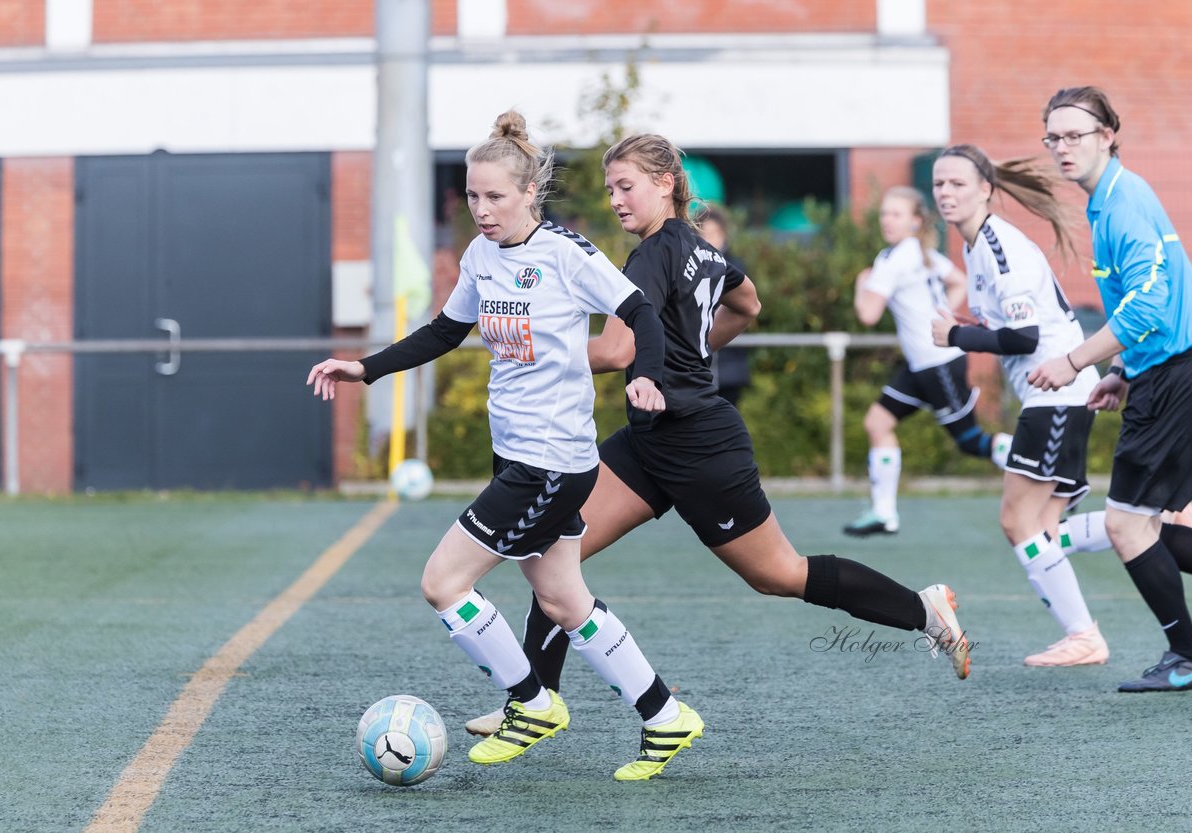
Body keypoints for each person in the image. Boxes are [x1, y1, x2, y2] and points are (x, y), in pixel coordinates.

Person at [467, 132, 974, 740]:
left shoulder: (651, 255)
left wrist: (532, 348)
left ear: (666, 184)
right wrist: (691, 349)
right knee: (552, 555)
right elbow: (749, 302)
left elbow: (619, 348)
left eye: (627, 186)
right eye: (610, 190)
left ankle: (925, 610)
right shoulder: (700, 247)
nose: (617, 201)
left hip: (700, 444)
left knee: (779, 574)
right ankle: (534, 701)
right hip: (650, 439)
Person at [308, 111, 704, 780]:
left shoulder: (565, 254)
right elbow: (442, 332)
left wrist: (644, 375)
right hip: (518, 453)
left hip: (552, 463)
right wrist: (365, 367)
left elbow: (638, 310)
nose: (482, 210)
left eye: (495, 197)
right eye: (471, 196)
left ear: (529, 194)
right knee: (561, 597)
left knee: (442, 582)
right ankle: (666, 717)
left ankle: (531, 702)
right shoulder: (481, 256)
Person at [1029, 86, 1192, 691]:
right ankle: (1188, 656)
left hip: (1177, 377)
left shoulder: (1124, 200)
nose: (1062, 147)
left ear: (1108, 134)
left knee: (1128, 527)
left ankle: (1189, 658)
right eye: (1053, 137)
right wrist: (1122, 372)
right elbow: (1153, 305)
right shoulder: (1107, 201)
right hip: (1170, 372)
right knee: (1151, 526)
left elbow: (1150, 305)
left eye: (1075, 134)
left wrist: (1076, 360)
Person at [929, 143, 1110, 667]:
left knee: (1018, 521)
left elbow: (1028, 336)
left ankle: (1086, 634)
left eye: (957, 183)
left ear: (986, 189)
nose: (946, 192)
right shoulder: (976, 245)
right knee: (1043, 532)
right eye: (939, 183)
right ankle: (1146, 525)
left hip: (1056, 393)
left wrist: (958, 334)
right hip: (1057, 394)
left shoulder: (997, 246)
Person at [845, 186, 1012, 537]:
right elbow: (958, 281)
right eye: (884, 213)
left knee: (970, 441)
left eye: (896, 214)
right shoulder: (919, 252)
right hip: (920, 366)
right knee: (877, 423)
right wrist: (943, 314)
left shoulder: (893, 260)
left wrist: (862, 284)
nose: (887, 220)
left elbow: (868, 314)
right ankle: (884, 513)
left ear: (914, 221)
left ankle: (1043, 468)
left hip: (940, 364)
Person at [694, 205, 752, 408]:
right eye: (704, 234)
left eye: (714, 234)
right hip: (698, 366)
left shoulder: (735, 268)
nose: (710, 240)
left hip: (727, 365)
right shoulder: (688, 268)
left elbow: (748, 307)